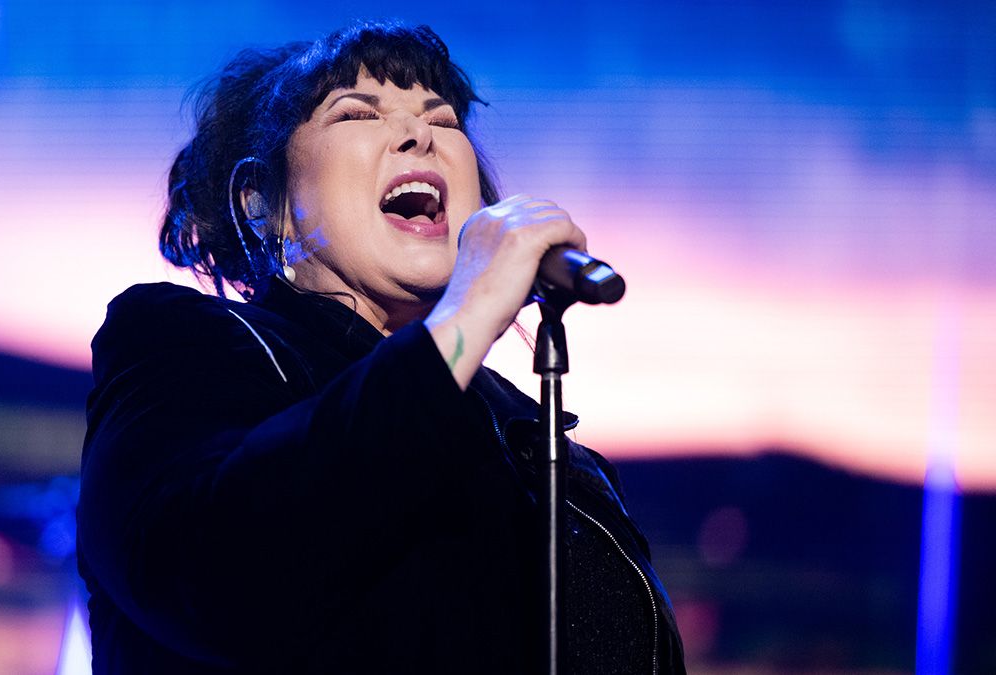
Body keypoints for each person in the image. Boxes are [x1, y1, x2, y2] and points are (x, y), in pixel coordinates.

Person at [77, 21, 685, 674]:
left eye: (442, 119)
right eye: (356, 113)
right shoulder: (188, 344)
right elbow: (215, 574)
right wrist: (466, 316)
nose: (418, 134)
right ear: (262, 205)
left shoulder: (545, 454)